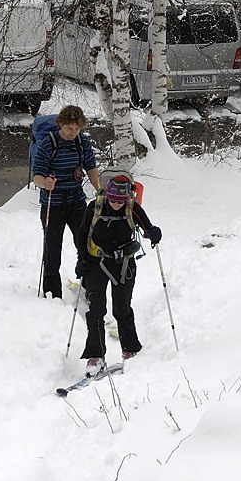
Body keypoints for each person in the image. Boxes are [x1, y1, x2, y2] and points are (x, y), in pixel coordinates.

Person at [74, 174, 162, 375]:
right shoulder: (95, 207)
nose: (116, 205)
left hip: (124, 263)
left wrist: (154, 233)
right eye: (113, 200)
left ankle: (130, 350)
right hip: (96, 261)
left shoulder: (132, 208)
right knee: (96, 309)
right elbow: (82, 233)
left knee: (122, 308)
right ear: (107, 196)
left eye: (120, 202)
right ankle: (95, 356)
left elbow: (148, 229)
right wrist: (82, 259)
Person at [31, 105, 100, 299]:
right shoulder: (48, 144)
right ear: (61, 124)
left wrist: (100, 190)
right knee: (53, 249)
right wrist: (45, 183)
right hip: (53, 204)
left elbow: (91, 168)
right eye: (70, 128)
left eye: (77, 128)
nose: (74, 132)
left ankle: (90, 287)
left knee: (86, 244)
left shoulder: (82, 142)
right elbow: (37, 175)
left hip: (76, 201)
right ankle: (53, 293)